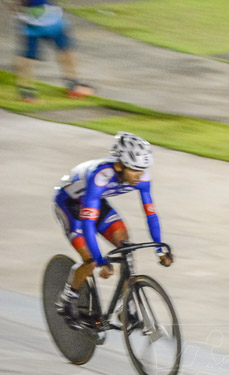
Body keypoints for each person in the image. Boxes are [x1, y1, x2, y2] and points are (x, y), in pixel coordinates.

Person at [54, 132, 171, 324]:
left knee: (127, 248)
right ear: (119, 165)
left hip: (94, 204)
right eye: (135, 170)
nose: (139, 175)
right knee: (90, 260)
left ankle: (124, 306)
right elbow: (87, 223)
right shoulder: (100, 177)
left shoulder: (142, 178)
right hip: (69, 205)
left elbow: (150, 214)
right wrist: (99, 259)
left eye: (143, 169)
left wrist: (159, 249)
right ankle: (68, 297)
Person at [7, 0, 92, 103]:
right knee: (28, 57)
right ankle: (27, 93)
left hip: (51, 17)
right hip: (32, 20)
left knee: (66, 49)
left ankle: (73, 85)